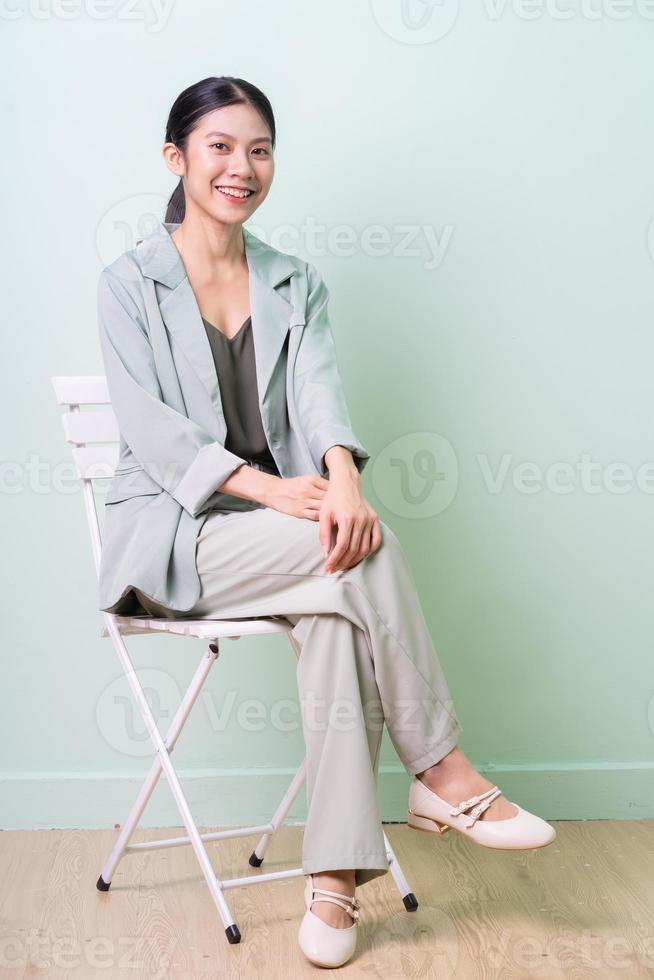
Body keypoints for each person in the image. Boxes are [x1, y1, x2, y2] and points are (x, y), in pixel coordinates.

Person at [97, 76, 556, 970]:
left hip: (288, 543)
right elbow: (152, 433)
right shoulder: (128, 285)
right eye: (220, 146)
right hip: (172, 535)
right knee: (354, 555)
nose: (242, 167)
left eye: (259, 149)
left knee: (341, 590)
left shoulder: (292, 281)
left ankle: (336, 886)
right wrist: (278, 494)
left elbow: (318, 396)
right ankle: (443, 771)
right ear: (177, 159)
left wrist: (341, 475)